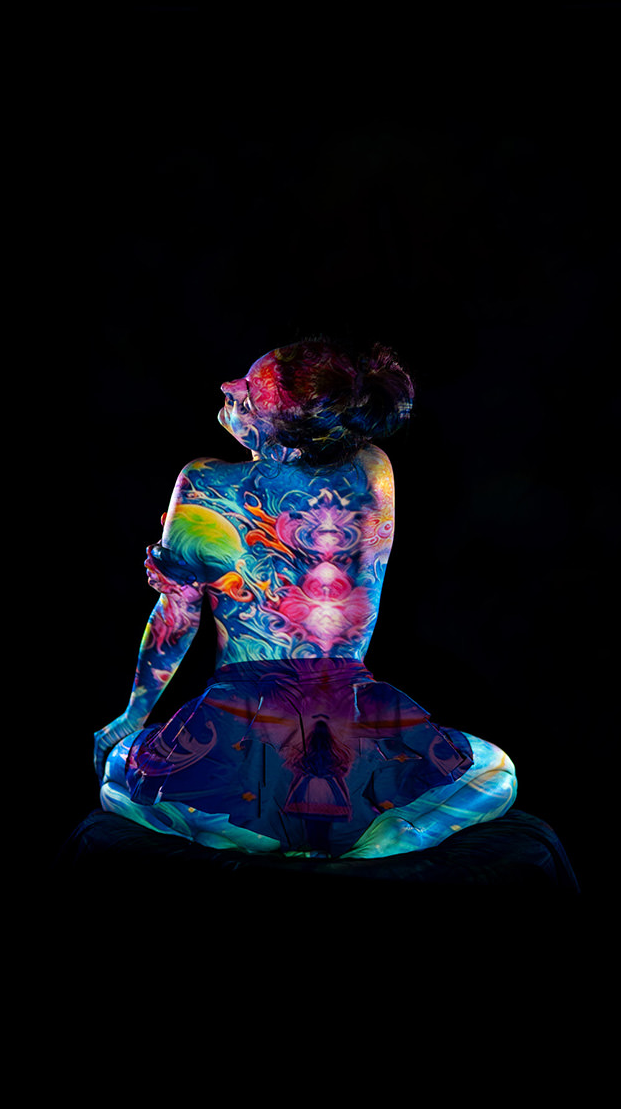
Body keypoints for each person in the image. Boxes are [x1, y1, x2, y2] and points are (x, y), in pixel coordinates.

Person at [93, 337, 517, 859]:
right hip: (351, 716)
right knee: (497, 773)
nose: (228, 386)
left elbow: (177, 617)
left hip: (240, 716)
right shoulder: (374, 469)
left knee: (120, 774)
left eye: (247, 397)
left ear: (285, 446)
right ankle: (402, 834)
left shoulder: (204, 482)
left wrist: (132, 715)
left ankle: (231, 833)